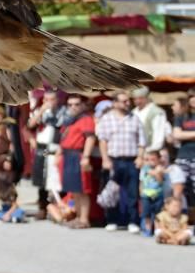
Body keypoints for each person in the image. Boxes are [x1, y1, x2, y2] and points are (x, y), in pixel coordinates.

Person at [97, 91, 146, 234]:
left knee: (132, 192)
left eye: (128, 101)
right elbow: (103, 141)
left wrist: (140, 157)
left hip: (131, 160)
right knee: (112, 191)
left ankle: (132, 221)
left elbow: (142, 141)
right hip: (114, 160)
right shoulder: (106, 119)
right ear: (115, 103)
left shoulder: (134, 119)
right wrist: (105, 159)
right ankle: (112, 220)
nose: (128, 103)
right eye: (124, 101)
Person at [57, 94, 97, 229]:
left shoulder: (86, 119)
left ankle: (84, 219)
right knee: (74, 190)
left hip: (78, 156)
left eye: (76, 104)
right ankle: (79, 217)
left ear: (83, 105)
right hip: (68, 155)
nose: (73, 107)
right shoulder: (71, 120)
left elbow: (90, 139)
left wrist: (85, 157)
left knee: (83, 190)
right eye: (70, 104)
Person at [27, 90, 67, 220]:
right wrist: (41, 111)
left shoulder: (63, 111)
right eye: (46, 99)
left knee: (58, 181)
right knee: (41, 182)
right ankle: (42, 208)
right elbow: (30, 125)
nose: (49, 102)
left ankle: (60, 208)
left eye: (52, 99)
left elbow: (64, 126)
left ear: (57, 100)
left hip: (57, 148)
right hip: (42, 149)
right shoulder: (39, 111)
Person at [131, 86, 169, 154]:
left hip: (151, 153)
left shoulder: (157, 112)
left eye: (140, 98)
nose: (137, 101)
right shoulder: (133, 112)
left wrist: (150, 151)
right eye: (135, 99)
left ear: (147, 98)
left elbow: (158, 136)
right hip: (135, 152)